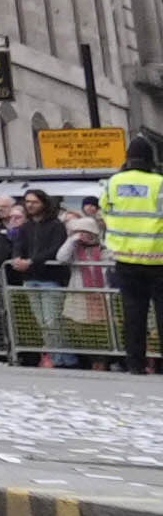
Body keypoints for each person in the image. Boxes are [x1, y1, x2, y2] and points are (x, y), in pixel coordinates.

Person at [101, 144, 163, 375]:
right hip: (158, 258)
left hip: (126, 258)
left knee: (133, 313)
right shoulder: (159, 183)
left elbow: (105, 212)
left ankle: (135, 364)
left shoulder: (112, 183)